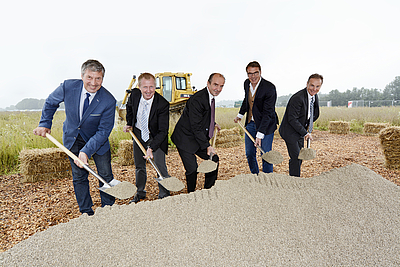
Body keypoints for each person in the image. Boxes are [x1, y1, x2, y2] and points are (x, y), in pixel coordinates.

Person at [33, 59, 116, 216]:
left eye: (98, 78)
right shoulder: (68, 86)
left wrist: (86, 152)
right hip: (73, 137)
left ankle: (109, 212)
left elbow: (104, 131)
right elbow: (51, 102)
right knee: (79, 176)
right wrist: (45, 123)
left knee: (105, 175)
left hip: (98, 141)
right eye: (90, 77)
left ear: (102, 79)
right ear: (82, 76)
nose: (94, 83)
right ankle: (86, 212)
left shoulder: (108, 100)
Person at [171, 73, 224, 193]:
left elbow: (202, 116)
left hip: (197, 137)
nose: (218, 89)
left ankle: (208, 191)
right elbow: (195, 126)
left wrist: (212, 123)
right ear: (208, 83)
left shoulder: (209, 97)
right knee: (192, 169)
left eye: (221, 86)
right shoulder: (198, 99)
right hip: (185, 138)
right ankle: (191, 194)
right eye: (215, 85)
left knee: (213, 159)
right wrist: (207, 146)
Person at [123, 73, 170, 203]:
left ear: (155, 86)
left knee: (159, 165)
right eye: (145, 87)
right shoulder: (134, 95)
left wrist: (151, 147)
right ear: (139, 87)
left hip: (155, 136)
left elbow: (163, 131)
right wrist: (129, 123)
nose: (148, 90)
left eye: (151, 87)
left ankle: (164, 194)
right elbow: (129, 108)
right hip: (138, 133)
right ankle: (140, 193)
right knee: (139, 166)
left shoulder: (162, 104)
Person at [234, 61, 279, 174]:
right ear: (247, 74)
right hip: (250, 123)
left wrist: (260, 133)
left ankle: (268, 179)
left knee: (265, 153)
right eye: (250, 73)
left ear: (260, 72)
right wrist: (240, 115)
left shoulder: (269, 88)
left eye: (255, 73)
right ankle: (256, 176)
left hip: (266, 125)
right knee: (249, 153)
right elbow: (247, 100)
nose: (253, 76)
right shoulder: (246, 84)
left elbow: (268, 112)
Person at [279, 73, 323, 177]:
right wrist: (305, 133)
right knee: (296, 157)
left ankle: (294, 178)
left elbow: (315, 114)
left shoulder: (314, 96)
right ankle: (295, 182)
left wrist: (307, 126)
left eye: (317, 86)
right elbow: (292, 119)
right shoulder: (298, 98)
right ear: (307, 84)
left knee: (300, 157)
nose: (314, 89)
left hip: (299, 130)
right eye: (312, 85)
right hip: (289, 130)